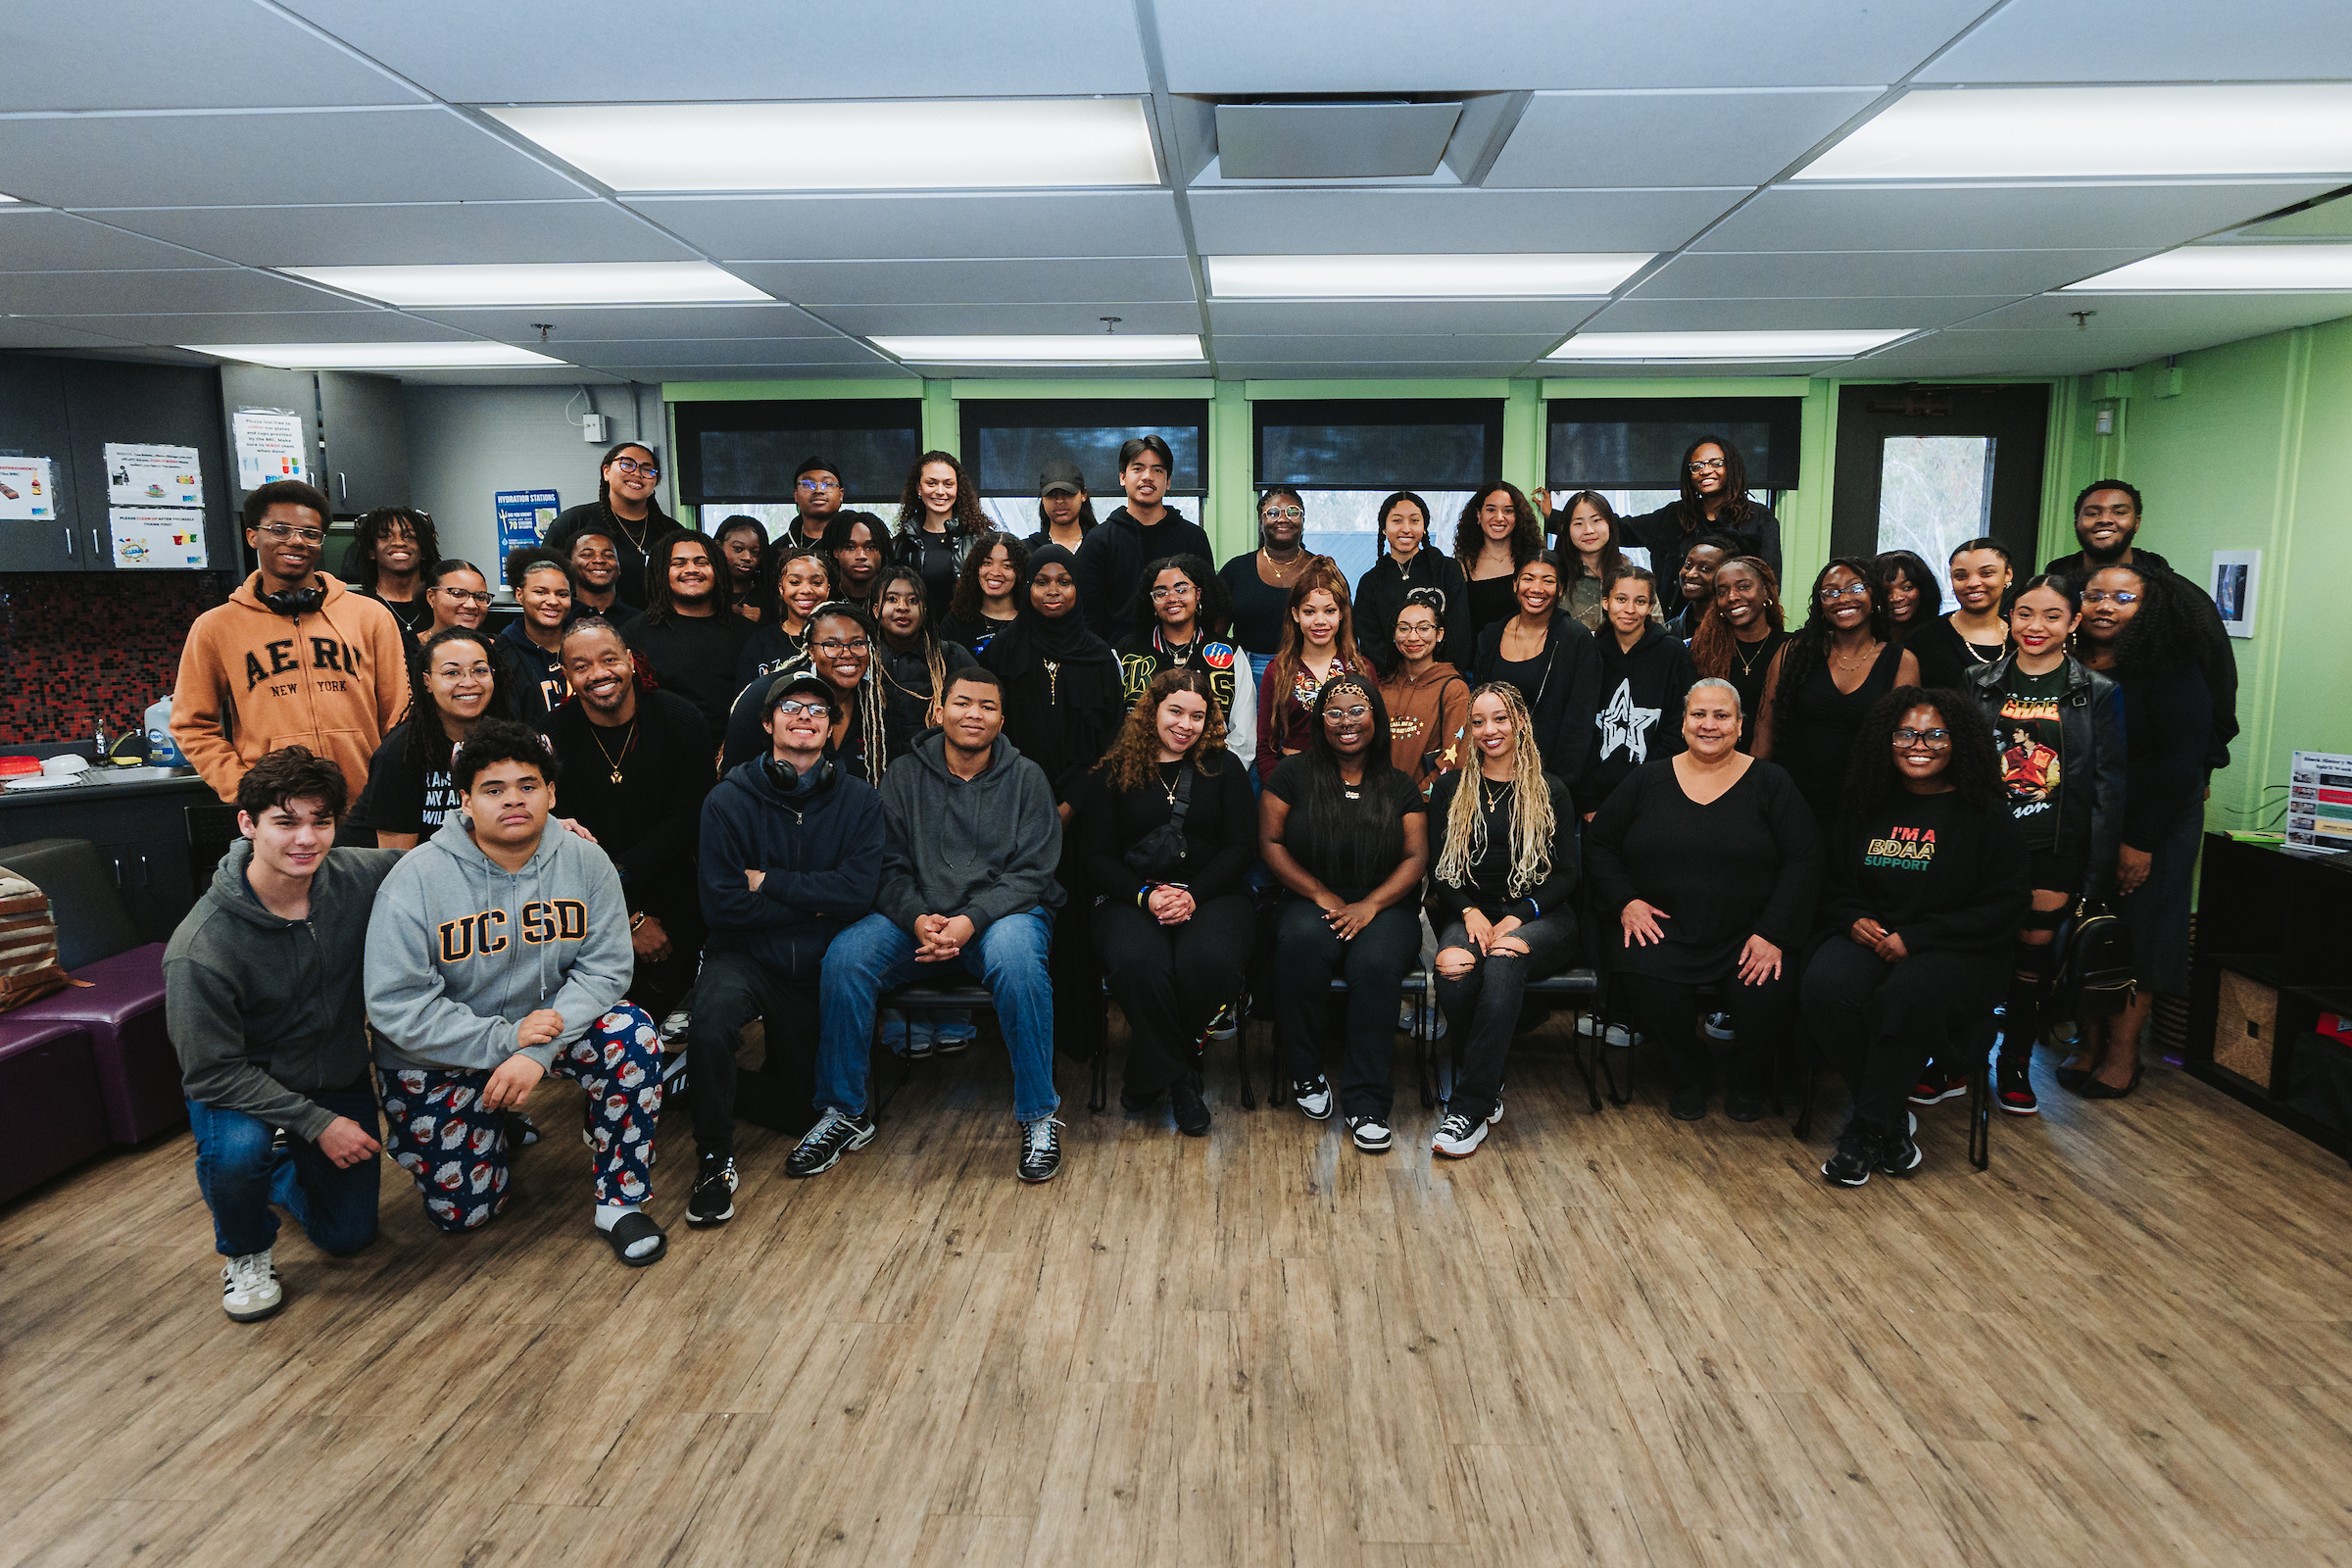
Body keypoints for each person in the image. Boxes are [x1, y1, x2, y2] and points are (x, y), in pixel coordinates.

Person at [365, 719, 668, 1265]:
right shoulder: (415, 879)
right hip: (440, 1053)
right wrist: (505, 1040)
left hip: (546, 1031)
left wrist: (533, 1053)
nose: (514, 800)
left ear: (551, 793)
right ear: (465, 800)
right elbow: (397, 1005)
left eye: (528, 786)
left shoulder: (586, 861)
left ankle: (620, 1201)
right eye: (493, 789)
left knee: (632, 1035)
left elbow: (604, 970)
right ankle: (492, 1120)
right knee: (465, 1215)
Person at [788, 667, 1069, 1183]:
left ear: (1002, 720)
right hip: (916, 917)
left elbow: (1033, 872)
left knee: (1019, 962)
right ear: (939, 711)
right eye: (962, 703)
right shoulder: (903, 774)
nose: (973, 715)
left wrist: (969, 921)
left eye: (987, 706)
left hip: (1000, 917)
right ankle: (843, 1112)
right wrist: (918, 919)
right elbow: (885, 865)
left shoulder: (1027, 777)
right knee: (846, 958)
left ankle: (1038, 1113)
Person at [167, 747, 400, 1321]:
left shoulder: (355, 876)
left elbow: (443, 858)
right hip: (241, 1088)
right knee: (237, 1154)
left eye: (321, 821)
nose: (306, 839)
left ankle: (283, 1164)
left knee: (348, 1236)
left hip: (333, 1072)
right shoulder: (201, 947)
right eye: (286, 821)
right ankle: (245, 1250)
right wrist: (317, 1124)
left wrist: (543, 828)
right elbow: (210, 1071)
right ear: (247, 825)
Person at [1802, 689, 2029, 1186]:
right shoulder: (1867, 804)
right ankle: (1886, 1120)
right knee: (1824, 986)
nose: (1917, 745)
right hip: (1876, 940)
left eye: (1934, 734)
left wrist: (1920, 936)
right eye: (1905, 733)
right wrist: (1852, 917)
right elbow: (1834, 883)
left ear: (1959, 742)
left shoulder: (1985, 815)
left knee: (1909, 993)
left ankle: (1865, 1129)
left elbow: (2005, 906)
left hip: (1958, 950)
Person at [685, 670, 886, 1225]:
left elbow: (859, 894)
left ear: (831, 733)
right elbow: (722, 906)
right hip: (744, 953)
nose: (805, 718)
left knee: (806, 1111)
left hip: (818, 964)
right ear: (769, 724)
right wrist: (819, 899)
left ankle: (688, 1081)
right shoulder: (726, 800)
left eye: (818, 712)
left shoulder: (861, 802)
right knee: (711, 1024)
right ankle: (713, 1160)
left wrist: (768, 880)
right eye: (792, 709)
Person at [1586, 679, 1820, 1120]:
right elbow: (1599, 844)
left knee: (1765, 994)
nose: (1708, 725)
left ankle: (1747, 1078)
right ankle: (1690, 1071)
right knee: (1644, 976)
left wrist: (1772, 932)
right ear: (1683, 721)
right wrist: (1626, 901)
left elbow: (1804, 860)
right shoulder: (1647, 778)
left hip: (1748, 933)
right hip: (1664, 929)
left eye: (1721, 716)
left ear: (1740, 725)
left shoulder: (1771, 782)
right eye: (1699, 714)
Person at [1963, 574, 2124, 1115]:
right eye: (2025, 613)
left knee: (2030, 967)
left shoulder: (2098, 693)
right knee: (1977, 954)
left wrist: (2096, 873)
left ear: (2074, 623)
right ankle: (1958, 1060)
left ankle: (2013, 1067)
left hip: (2054, 847)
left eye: (2053, 616)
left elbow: (2107, 787)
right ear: (2009, 618)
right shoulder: (1977, 682)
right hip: (1985, 845)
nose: (2037, 626)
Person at [1075, 667, 1257, 1135]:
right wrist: (1146, 895)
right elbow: (1093, 855)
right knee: (1138, 962)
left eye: (1198, 716)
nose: (1185, 724)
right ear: (1151, 711)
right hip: (1129, 895)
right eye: (1175, 711)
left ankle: (1147, 1071)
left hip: (1212, 894)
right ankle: (1181, 1080)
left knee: (1210, 962)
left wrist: (1193, 895)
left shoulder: (1224, 767)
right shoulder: (1114, 769)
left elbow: (1241, 848)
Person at [1260, 674, 1430, 1152]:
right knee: (1299, 945)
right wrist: (1318, 894)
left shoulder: (1399, 786)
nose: (1346, 722)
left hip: (1385, 904)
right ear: (1320, 721)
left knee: (1374, 966)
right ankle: (1307, 1073)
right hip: (1309, 897)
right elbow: (1270, 843)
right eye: (1334, 712)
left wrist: (1370, 904)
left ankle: (1368, 1103)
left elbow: (1416, 858)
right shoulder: (1293, 775)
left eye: (1358, 711)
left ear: (1376, 716)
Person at [172, 478, 409, 808]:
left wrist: (388, 785)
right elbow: (192, 725)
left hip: (367, 806)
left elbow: (399, 715)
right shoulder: (214, 628)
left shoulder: (370, 616)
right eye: (280, 529)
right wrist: (243, 789)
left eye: (310, 534)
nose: (296, 541)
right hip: (276, 813)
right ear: (253, 536)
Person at [2069, 563, 2214, 1100]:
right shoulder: (2066, 657)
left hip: (2154, 824)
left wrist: (2140, 842)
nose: (2106, 606)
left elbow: (2181, 760)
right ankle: (2085, 1043)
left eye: (2123, 598)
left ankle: (2123, 1055)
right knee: (2087, 931)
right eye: (2096, 595)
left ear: (2147, 608)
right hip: (2089, 819)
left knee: (2141, 935)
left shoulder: (2171, 665)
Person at [1424, 683, 1579, 1158]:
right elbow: (1438, 870)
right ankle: (1486, 1080)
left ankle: (1468, 1107)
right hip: (1471, 912)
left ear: (1519, 724)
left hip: (1542, 914)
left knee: (1505, 958)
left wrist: (1520, 915)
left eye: (1500, 719)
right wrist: (1469, 910)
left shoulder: (1550, 788)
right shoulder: (1450, 787)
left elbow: (1568, 875)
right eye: (1478, 722)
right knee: (1451, 964)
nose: (1489, 730)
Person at [982, 542, 1123, 1061]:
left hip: (1082, 815)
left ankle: (1080, 1039)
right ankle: (1022, 1040)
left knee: (1076, 925)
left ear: (1078, 588)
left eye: (1064, 581)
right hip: (1014, 808)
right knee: (1019, 918)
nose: (1053, 591)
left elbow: (1113, 743)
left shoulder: (1098, 654)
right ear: (1027, 586)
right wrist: (1036, 804)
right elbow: (991, 734)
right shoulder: (1002, 652)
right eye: (1042, 581)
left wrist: (1068, 805)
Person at [548, 617, 715, 1023]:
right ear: (567, 675)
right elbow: (558, 832)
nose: (598, 673)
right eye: (582, 666)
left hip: (675, 884)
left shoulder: (681, 720)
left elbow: (690, 816)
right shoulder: (550, 736)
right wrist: (627, 911)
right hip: (585, 895)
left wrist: (624, 874)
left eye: (609, 659)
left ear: (630, 660)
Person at [2042, 478, 2237, 773]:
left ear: (2136, 522)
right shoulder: (2047, 593)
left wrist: (2205, 765)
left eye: (2118, 511)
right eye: (2092, 512)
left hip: (2159, 770)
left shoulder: (2180, 599)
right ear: (2077, 522)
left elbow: (2218, 680)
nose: (2105, 519)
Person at [1754, 559, 1922, 834]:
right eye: (1830, 592)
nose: (1842, 599)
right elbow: (1764, 731)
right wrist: (1753, 795)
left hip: (1861, 810)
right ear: (1820, 604)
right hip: (1789, 801)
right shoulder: (1794, 652)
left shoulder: (1901, 661)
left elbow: (1902, 745)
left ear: (1875, 595)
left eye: (1855, 588)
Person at [350, 627, 514, 851]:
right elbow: (396, 859)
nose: (469, 682)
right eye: (451, 673)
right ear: (427, 681)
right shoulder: (399, 753)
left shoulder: (509, 742)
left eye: (480, 670)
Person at [1473, 553, 1602, 798]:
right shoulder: (1490, 636)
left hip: (1551, 781)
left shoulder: (1576, 639)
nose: (1537, 588)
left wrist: (1558, 785)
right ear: (1515, 584)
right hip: (1493, 775)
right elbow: (1478, 709)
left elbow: (1580, 722)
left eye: (1548, 581)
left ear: (1561, 588)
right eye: (1528, 578)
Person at [722, 605, 902, 781]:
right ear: (810, 651)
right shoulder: (766, 694)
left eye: (857, 644)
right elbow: (733, 781)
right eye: (832, 645)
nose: (847, 653)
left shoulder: (875, 709)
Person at [1115, 554, 1256, 771]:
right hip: (1139, 773)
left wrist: (1221, 776)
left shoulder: (1229, 653)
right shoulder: (1126, 652)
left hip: (1213, 774)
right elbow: (1113, 725)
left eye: (1182, 589)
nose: (1172, 598)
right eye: (1161, 592)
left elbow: (1243, 734)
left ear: (1198, 594)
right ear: (1152, 601)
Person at [1579, 565, 1697, 815]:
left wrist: (1651, 786)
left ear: (1651, 605)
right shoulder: (1589, 653)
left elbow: (1680, 727)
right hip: (1597, 800)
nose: (1630, 610)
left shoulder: (1673, 653)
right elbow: (1579, 729)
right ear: (1605, 602)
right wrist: (1589, 799)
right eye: (1621, 599)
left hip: (1656, 795)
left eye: (1640, 601)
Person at [1623, 436, 1782, 617]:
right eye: (1697, 466)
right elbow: (1621, 530)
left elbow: (1771, 583)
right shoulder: (1674, 516)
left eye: (1715, 463)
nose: (1706, 471)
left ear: (1731, 467)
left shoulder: (1759, 519)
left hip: (1736, 626)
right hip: (1679, 629)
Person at [1077, 434, 1214, 642]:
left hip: (1183, 658)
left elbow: (1208, 605)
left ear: (1167, 481)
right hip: (1117, 658)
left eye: (1157, 470)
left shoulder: (1193, 537)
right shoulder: (1100, 539)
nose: (1147, 476)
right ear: (1122, 477)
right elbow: (1088, 614)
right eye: (1138, 468)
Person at [624, 530, 754, 739]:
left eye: (701, 562)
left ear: (718, 570)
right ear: (660, 571)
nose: (691, 570)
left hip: (734, 755)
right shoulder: (634, 634)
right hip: (663, 752)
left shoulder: (747, 633)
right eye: (679, 563)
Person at [1254, 561, 1372, 784]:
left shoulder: (1360, 668)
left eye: (1329, 611)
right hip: (1294, 784)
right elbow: (1265, 747)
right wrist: (1279, 793)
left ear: (1342, 614)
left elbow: (1375, 738)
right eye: (1309, 611)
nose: (1320, 621)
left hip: (1351, 785)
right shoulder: (1278, 670)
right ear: (1296, 614)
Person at [546, 442, 675, 612]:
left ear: (656, 481)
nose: (637, 473)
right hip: (583, 628)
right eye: (627, 464)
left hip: (656, 630)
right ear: (606, 471)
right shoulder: (573, 522)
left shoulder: (673, 532)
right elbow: (543, 579)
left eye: (647, 469)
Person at [1354, 489, 1471, 672]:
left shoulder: (1447, 570)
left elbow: (1460, 634)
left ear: (1424, 527)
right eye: (1397, 520)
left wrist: (1437, 674)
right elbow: (1370, 643)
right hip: (1391, 682)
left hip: (1443, 678)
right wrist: (1402, 678)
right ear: (1383, 528)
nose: (1406, 528)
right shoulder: (1370, 582)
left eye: (1414, 520)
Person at [1218, 487, 1320, 686]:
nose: (1283, 519)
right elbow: (1216, 633)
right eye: (1273, 513)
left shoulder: (1321, 570)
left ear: (1303, 521)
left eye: (1292, 512)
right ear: (1261, 522)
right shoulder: (1236, 570)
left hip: (1309, 669)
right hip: (1246, 671)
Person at [1689, 555, 1789, 753]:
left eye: (1743, 587)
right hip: (1713, 761)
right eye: (1722, 592)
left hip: (1776, 766)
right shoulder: (1704, 650)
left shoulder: (1790, 648)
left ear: (1766, 591)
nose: (1732, 597)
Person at [1379, 588, 1470, 796]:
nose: (1412, 637)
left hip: (1426, 808)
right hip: (1377, 805)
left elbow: (1454, 762)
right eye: (1403, 628)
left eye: (1423, 628)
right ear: (1394, 635)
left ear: (1439, 634)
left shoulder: (1454, 689)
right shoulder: (1382, 685)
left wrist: (1412, 800)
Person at [873, 564, 977, 740]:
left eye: (913, 600)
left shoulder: (951, 656)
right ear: (876, 610)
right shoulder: (861, 657)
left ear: (924, 612)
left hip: (937, 761)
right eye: (892, 599)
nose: (902, 607)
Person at [894, 449, 995, 626]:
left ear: (958, 489)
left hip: (968, 640)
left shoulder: (982, 540)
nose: (940, 491)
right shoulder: (902, 544)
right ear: (919, 488)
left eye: (948, 484)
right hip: (918, 639)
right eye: (931, 483)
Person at [1453, 482, 1546, 652]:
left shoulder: (1534, 563)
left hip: (1527, 660)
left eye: (1508, 511)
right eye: (1490, 509)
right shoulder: (1461, 566)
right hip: (1476, 667)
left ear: (1518, 517)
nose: (1499, 517)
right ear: (1478, 515)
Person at [731, 543, 835, 693]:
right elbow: (745, 703)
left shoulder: (842, 641)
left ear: (828, 589)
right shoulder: (759, 644)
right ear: (781, 588)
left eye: (816, 583)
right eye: (795, 582)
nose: (805, 589)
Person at [500, 548, 574, 727]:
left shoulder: (583, 643)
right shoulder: (502, 654)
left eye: (562, 594)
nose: (553, 601)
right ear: (520, 595)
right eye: (541, 592)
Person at [346, 505, 438, 637]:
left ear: (423, 551)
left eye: (410, 536)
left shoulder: (441, 604)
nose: (398, 543)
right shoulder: (356, 607)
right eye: (384, 536)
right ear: (372, 552)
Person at [1552, 489, 1629, 633]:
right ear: (1566, 529)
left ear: (1610, 524)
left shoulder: (1629, 572)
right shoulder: (1554, 574)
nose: (1589, 530)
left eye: (1596, 520)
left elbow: (1654, 629)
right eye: (1578, 523)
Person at [939, 533, 1027, 657]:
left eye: (1007, 566)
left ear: (1020, 573)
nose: (995, 572)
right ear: (975, 568)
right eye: (987, 563)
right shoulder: (954, 624)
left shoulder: (1030, 623)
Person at [1667, 531, 1742, 642]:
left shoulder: (1741, 628)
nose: (1690, 574)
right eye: (1688, 565)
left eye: (1705, 569)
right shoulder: (1670, 631)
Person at [562, 525, 641, 630]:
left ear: (619, 566)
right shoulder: (560, 618)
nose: (599, 560)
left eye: (608, 555)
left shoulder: (639, 621)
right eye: (587, 555)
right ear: (570, 565)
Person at [712, 514, 774, 624]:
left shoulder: (768, 599)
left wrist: (761, 622)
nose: (747, 558)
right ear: (718, 547)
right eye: (738, 549)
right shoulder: (705, 594)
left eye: (755, 553)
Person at [416, 559, 495, 647]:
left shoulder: (497, 648)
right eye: (458, 594)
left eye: (480, 597)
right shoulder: (404, 648)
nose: (472, 605)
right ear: (431, 597)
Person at [1024, 459, 1097, 552]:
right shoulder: (1027, 549)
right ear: (1042, 498)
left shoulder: (1101, 545)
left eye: (1067, 493)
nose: (1060, 500)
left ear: (1083, 495)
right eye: (1052, 494)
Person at [824, 510, 890, 609]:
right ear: (836, 552)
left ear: (882, 551)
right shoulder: (824, 601)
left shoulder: (893, 601)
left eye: (870, 547)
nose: (861, 556)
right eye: (850, 548)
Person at [783, 454, 845, 551]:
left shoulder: (855, 543)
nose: (818, 490)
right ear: (795, 495)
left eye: (828, 484)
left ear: (841, 495)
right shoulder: (779, 549)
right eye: (807, 484)